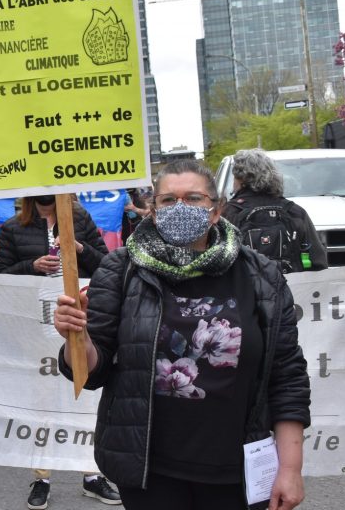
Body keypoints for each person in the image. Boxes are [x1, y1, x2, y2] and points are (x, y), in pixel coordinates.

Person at [52, 160, 310, 510]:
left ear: (216, 211)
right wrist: (77, 337)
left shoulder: (261, 274)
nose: (180, 208)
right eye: (168, 200)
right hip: (150, 473)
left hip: (236, 472)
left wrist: (291, 468)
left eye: (193, 198)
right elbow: (91, 373)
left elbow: (287, 375)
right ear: (153, 212)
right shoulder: (121, 268)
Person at [0, 195, 118, 508]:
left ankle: (92, 474)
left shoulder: (80, 220)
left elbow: (107, 266)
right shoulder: (11, 227)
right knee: (41, 399)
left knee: (86, 394)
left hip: (79, 320)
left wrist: (79, 249)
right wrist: (30, 266)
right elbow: (0, 273)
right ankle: (42, 477)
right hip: (34, 324)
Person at [222, 149, 327, 272]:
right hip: (292, 287)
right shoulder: (294, 212)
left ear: (240, 180)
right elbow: (318, 262)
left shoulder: (228, 213)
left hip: (245, 288)